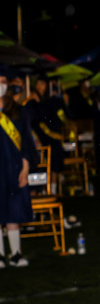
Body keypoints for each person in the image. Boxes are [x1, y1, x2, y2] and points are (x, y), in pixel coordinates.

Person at [0, 68, 37, 268]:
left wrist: (25, 169)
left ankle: (15, 254)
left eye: (3, 80)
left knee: (13, 212)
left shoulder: (18, 111)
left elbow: (26, 145)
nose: (1, 84)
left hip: (14, 169)